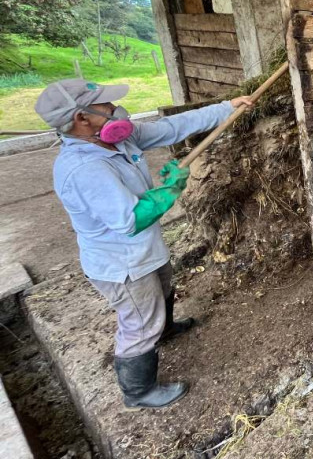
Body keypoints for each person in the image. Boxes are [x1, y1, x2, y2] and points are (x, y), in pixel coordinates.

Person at [34, 79, 253, 410]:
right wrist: (169, 190)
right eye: (106, 106)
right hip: (121, 263)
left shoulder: (115, 139)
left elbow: (170, 126)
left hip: (144, 252)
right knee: (139, 322)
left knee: (163, 287)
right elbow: (132, 219)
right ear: (82, 118)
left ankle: (164, 331)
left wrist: (225, 108)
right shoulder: (84, 169)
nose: (115, 110)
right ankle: (138, 392)